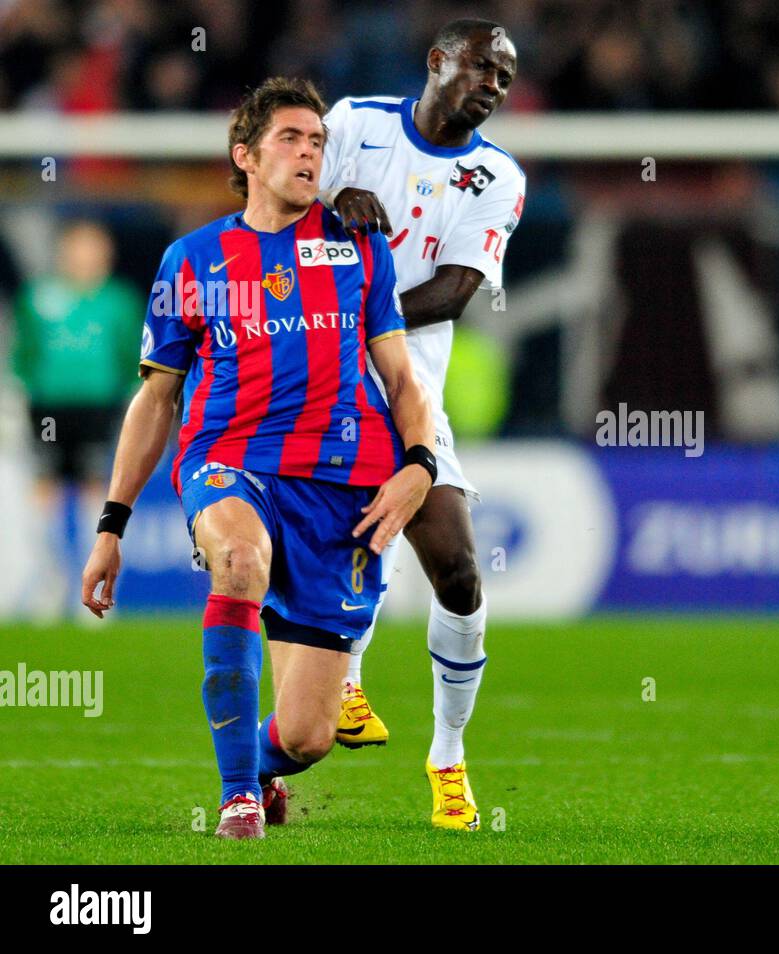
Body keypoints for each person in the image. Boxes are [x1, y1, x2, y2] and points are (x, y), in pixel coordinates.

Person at [79, 77, 438, 839]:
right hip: (230, 462)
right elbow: (155, 400)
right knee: (238, 558)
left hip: (343, 487)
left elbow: (403, 377)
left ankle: (265, 767)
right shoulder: (192, 260)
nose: (310, 152)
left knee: (309, 736)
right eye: (291, 139)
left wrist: (420, 465)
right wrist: (112, 524)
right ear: (244, 155)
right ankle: (238, 795)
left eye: (318, 141)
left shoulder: (361, 248)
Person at [316, 17, 525, 831]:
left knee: (461, 575)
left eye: (506, 78)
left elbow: (451, 295)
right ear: (437, 62)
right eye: (483, 68)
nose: (494, 87)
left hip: (407, 390)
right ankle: (329, 698)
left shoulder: (497, 177)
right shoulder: (354, 123)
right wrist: (336, 192)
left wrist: (357, 322)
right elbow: (273, 198)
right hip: (315, 385)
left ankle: (447, 754)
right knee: (332, 547)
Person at [13, 220, 141, 614]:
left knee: (95, 492)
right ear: (64, 252)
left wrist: (129, 405)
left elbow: (131, 358)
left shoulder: (119, 301)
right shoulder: (39, 296)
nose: (87, 257)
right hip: (48, 409)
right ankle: (49, 583)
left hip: (97, 408)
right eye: (80, 248)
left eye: (95, 248)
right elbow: (24, 356)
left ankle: (96, 588)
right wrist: (22, 395)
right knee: (43, 494)